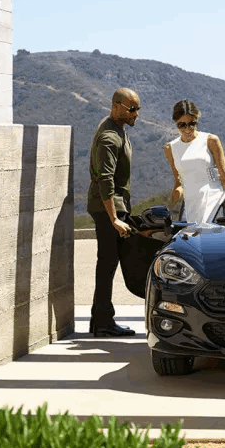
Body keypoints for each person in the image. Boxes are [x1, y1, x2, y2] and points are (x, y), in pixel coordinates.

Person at [87, 87, 141, 337]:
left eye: (138, 109)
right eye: (132, 109)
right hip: (108, 210)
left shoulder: (117, 129)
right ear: (117, 105)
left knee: (109, 264)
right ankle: (102, 323)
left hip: (116, 208)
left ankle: (100, 320)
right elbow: (105, 180)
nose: (136, 114)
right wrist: (114, 219)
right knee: (107, 265)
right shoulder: (109, 136)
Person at [164, 99, 225, 223]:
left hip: (213, 199)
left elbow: (224, 177)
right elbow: (179, 183)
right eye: (182, 125)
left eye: (192, 124)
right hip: (190, 204)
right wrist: (169, 208)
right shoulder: (170, 148)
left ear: (197, 120)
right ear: (175, 123)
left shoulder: (210, 140)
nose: (188, 129)